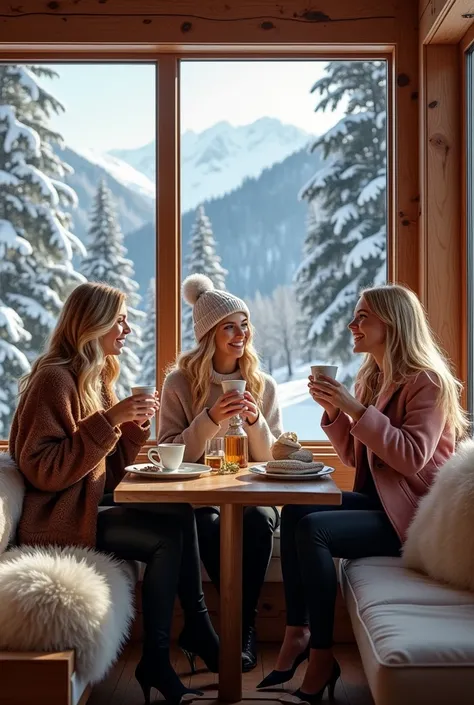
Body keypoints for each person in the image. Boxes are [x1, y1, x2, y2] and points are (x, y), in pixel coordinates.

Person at [9, 282, 218, 705]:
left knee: (180, 515)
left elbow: (107, 469)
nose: (126, 329)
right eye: (119, 320)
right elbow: (44, 470)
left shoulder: (97, 376)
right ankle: (162, 655)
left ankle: (191, 627)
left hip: (89, 505)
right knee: (167, 537)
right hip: (59, 519)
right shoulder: (54, 379)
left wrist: (130, 432)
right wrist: (111, 420)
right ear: (93, 324)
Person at [258, 284, 468, 703]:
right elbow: (357, 458)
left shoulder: (427, 383)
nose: (352, 325)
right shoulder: (374, 376)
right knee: (300, 509)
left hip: (411, 519)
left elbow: (410, 458)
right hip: (380, 506)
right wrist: (337, 411)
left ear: (390, 324)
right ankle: (297, 630)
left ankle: (321, 655)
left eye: (362, 317)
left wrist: (354, 409)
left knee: (314, 530)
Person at [158, 273, 283, 671]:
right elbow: (168, 453)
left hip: (252, 493)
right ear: (209, 334)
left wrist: (254, 422)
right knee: (208, 526)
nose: (239, 333)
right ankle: (231, 629)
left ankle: (240, 627)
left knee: (260, 520)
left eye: (244, 324)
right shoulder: (179, 383)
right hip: (198, 496)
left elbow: (271, 458)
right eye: (229, 326)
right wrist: (210, 418)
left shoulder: (262, 385)